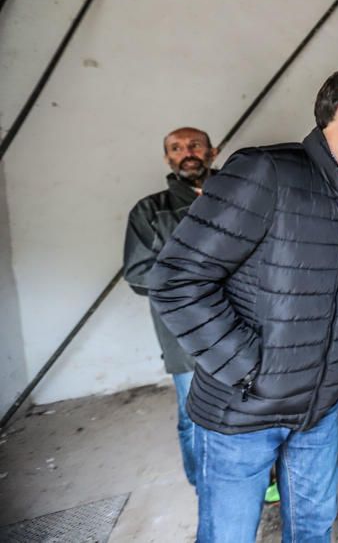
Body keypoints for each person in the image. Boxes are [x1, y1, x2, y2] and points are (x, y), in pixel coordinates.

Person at [149, 68, 338, 542]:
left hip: (318, 407)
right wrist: (249, 368)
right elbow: (175, 280)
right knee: (229, 535)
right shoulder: (266, 172)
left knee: (313, 530)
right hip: (243, 412)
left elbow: (337, 288)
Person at [124, 127, 218, 488]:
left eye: (194, 145)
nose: (187, 152)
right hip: (184, 334)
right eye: (176, 148)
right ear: (167, 158)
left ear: (212, 150)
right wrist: (202, 276)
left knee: (254, 408)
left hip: (247, 324)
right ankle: (204, 484)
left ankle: (256, 479)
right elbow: (137, 274)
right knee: (193, 412)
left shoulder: (241, 196)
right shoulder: (150, 211)